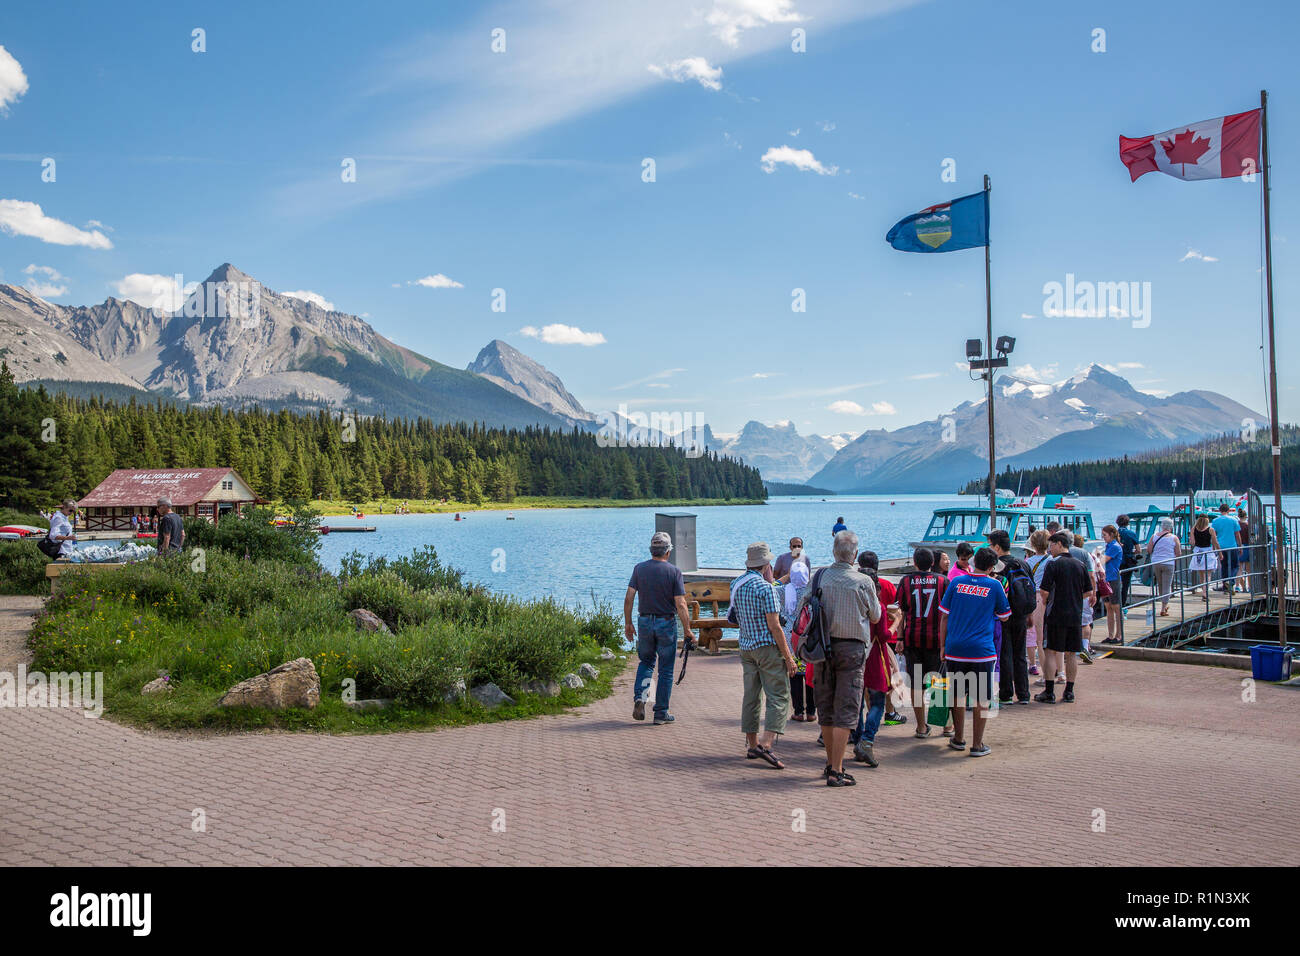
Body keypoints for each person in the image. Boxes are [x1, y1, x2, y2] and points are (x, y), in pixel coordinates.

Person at [793, 529, 880, 788]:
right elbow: (875, 616)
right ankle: (837, 769)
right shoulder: (863, 582)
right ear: (854, 555)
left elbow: (802, 609)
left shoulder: (819, 577)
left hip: (821, 648)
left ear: (834, 552)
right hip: (851, 649)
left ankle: (831, 763)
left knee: (827, 708)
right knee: (847, 710)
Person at [937, 547, 1009, 757]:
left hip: (955, 648)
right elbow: (1005, 615)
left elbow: (944, 616)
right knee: (981, 697)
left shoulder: (956, 583)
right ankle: (977, 744)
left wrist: (943, 645)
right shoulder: (994, 585)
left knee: (958, 695)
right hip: (982, 650)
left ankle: (958, 738)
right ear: (991, 567)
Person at [734, 543, 799, 769]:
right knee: (779, 696)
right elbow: (775, 626)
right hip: (767, 648)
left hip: (746, 646)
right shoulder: (767, 588)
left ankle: (752, 744)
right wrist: (789, 657)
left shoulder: (737, 585)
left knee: (751, 696)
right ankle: (766, 743)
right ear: (766, 564)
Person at [624, 531, 697, 725]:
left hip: (645, 621)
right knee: (665, 669)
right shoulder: (674, 572)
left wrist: (628, 623)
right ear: (668, 551)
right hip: (666, 623)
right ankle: (661, 712)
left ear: (652, 550)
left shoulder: (639, 569)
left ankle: (640, 697)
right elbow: (681, 604)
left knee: (646, 662)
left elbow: (629, 597)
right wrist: (688, 630)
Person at [851, 550, 899, 767]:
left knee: (858, 701)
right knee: (878, 700)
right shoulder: (876, 605)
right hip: (874, 655)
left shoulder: (852, 601)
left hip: (855, 653)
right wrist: (896, 622)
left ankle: (858, 738)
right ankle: (867, 740)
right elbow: (884, 635)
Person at [1035, 532, 1094, 704]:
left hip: (1055, 614)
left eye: (1051, 545)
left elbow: (1044, 591)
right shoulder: (1080, 565)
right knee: (1071, 653)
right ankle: (1069, 691)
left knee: (1051, 651)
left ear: (1059, 544)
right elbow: (1088, 592)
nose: (1049, 549)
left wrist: (1047, 601)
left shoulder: (1053, 565)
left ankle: (1050, 690)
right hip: (1075, 614)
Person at [896, 547, 947, 736]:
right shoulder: (943, 581)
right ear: (932, 563)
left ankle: (921, 725)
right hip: (937, 640)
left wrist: (899, 637)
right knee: (939, 683)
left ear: (915, 562)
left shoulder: (906, 581)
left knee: (917, 684)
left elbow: (902, 612)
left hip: (913, 639)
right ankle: (946, 725)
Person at [986, 529, 1033, 704]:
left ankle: (1006, 693)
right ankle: (1024, 693)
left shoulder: (998, 567)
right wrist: (1029, 614)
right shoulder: (1022, 563)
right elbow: (1031, 589)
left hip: (1003, 616)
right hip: (1021, 614)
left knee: (1004, 653)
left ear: (997, 547)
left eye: (990, 545)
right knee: (1020, 654)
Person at [784, 561, 816, 721]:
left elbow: (774, 583)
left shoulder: (781, 591)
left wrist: (785, 578)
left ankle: (798, 712)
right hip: (808, 640)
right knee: (811, 675)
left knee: (795, 675)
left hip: (791, 640)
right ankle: (811, 711)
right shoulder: (813, 592)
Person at [1025, 529, 1052, 678]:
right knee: (1043, 638)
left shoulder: (1028, 562)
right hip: (1047, 597)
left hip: (1032, 597)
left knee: (1032, 634)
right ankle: (1051, 670)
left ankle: (1033, 664)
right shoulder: (1051, 561)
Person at [1147, 517, 1181, 616]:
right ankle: (1163, 608)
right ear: (1171, 527)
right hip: (1169, 563)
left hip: (1156, 563)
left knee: (1160, 584)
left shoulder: (1154, 536)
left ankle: (1164, 604)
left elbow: (1149, 550)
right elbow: (1178, 553)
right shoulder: (1174, 538)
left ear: (1162, 526)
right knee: (1167, 584)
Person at [1097, 525, 1124, 644]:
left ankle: (1119, 635)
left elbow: (1103, 560)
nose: (1103, 538)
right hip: (1106, 578)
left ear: (1111, 535)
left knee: (1116, 607)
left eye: (1105, 535)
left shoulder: (1114, 546)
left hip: (1113, 578)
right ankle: (1111, 634)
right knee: (1108, 606)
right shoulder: (1108, 546)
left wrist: (1097, 557)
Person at [1211, 504, 1242, 595]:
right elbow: (1237, 534)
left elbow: (1214, 535)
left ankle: (1225, 586)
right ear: (1229, 510)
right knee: (1235, 565)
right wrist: (1240, 546)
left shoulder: (1215, 521)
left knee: (1224, 566)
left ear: (1220, 511)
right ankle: (1231, 581)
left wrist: (1214, 547)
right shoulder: (1233, 520)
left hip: (1221, 547)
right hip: (1232, 546)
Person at [1189, 515, 1220, 598]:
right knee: (1208, 575)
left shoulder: (1193, 529)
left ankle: (1203, 591)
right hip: (1208, 553)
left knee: (1201, 574)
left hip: (1198, 552)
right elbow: (1215, 542)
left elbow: (1192, 542)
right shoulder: (1210, 530)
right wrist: (1220, 552)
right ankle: (1205, 593)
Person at [1116, 514, 1140, 608]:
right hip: (1127, 561)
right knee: (1125, 585)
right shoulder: (1131, 534)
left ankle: (1114, 603)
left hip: (1116, 561)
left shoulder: (1114, 533)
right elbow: (1138, 549)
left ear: (1117, 523)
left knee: (1114, 583)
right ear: (1128, 523)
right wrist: (1132, 551)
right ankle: (1122, 605)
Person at [1237, 509, 1253, 591]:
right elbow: (1252, 538)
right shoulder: (1248, 525)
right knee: (1249, 570)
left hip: (1239, 547)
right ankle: (1250, 587)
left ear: (1238, 516)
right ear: (1246, 516)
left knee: (1239, 569)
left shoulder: (1237, 524)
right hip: (1247, 547)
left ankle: (1239, 586)